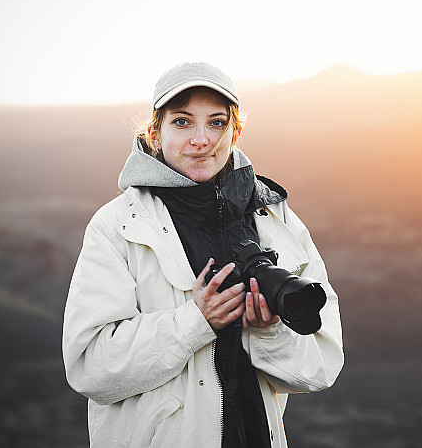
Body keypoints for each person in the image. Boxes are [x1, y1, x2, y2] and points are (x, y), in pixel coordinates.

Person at [62, 62, 343, 448]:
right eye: (182, 122)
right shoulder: (118, 226)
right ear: (154, 133)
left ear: (236, 132)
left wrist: (268, 332)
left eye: (216, 123)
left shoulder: (276, 218)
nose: (201, 139)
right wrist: (196, 322)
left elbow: (321, 368)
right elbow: (90, 367)